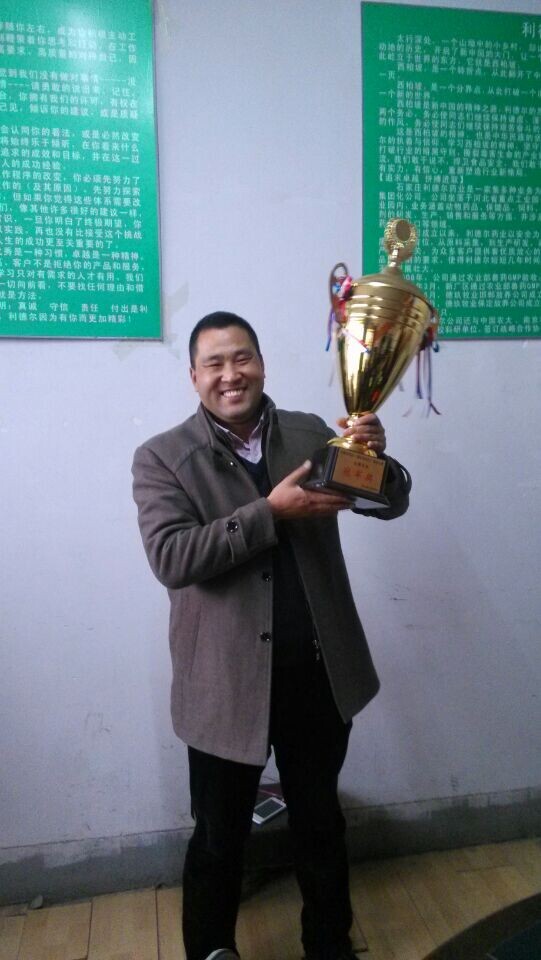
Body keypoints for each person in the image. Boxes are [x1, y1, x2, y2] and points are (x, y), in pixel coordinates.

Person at [132, 311, 411, 960]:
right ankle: (212, 950)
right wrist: (268, 513)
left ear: (261, 363)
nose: (231, 375)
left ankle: (328, 944)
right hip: (224, 685)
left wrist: (377, 459)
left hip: (317, 671)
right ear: (194, 376)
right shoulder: (162, 458)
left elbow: (387, 503)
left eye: (242, 358)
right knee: (219, 835)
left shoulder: (311, 433)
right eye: (214, 363)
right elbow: (172, 558)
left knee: (319, 822)